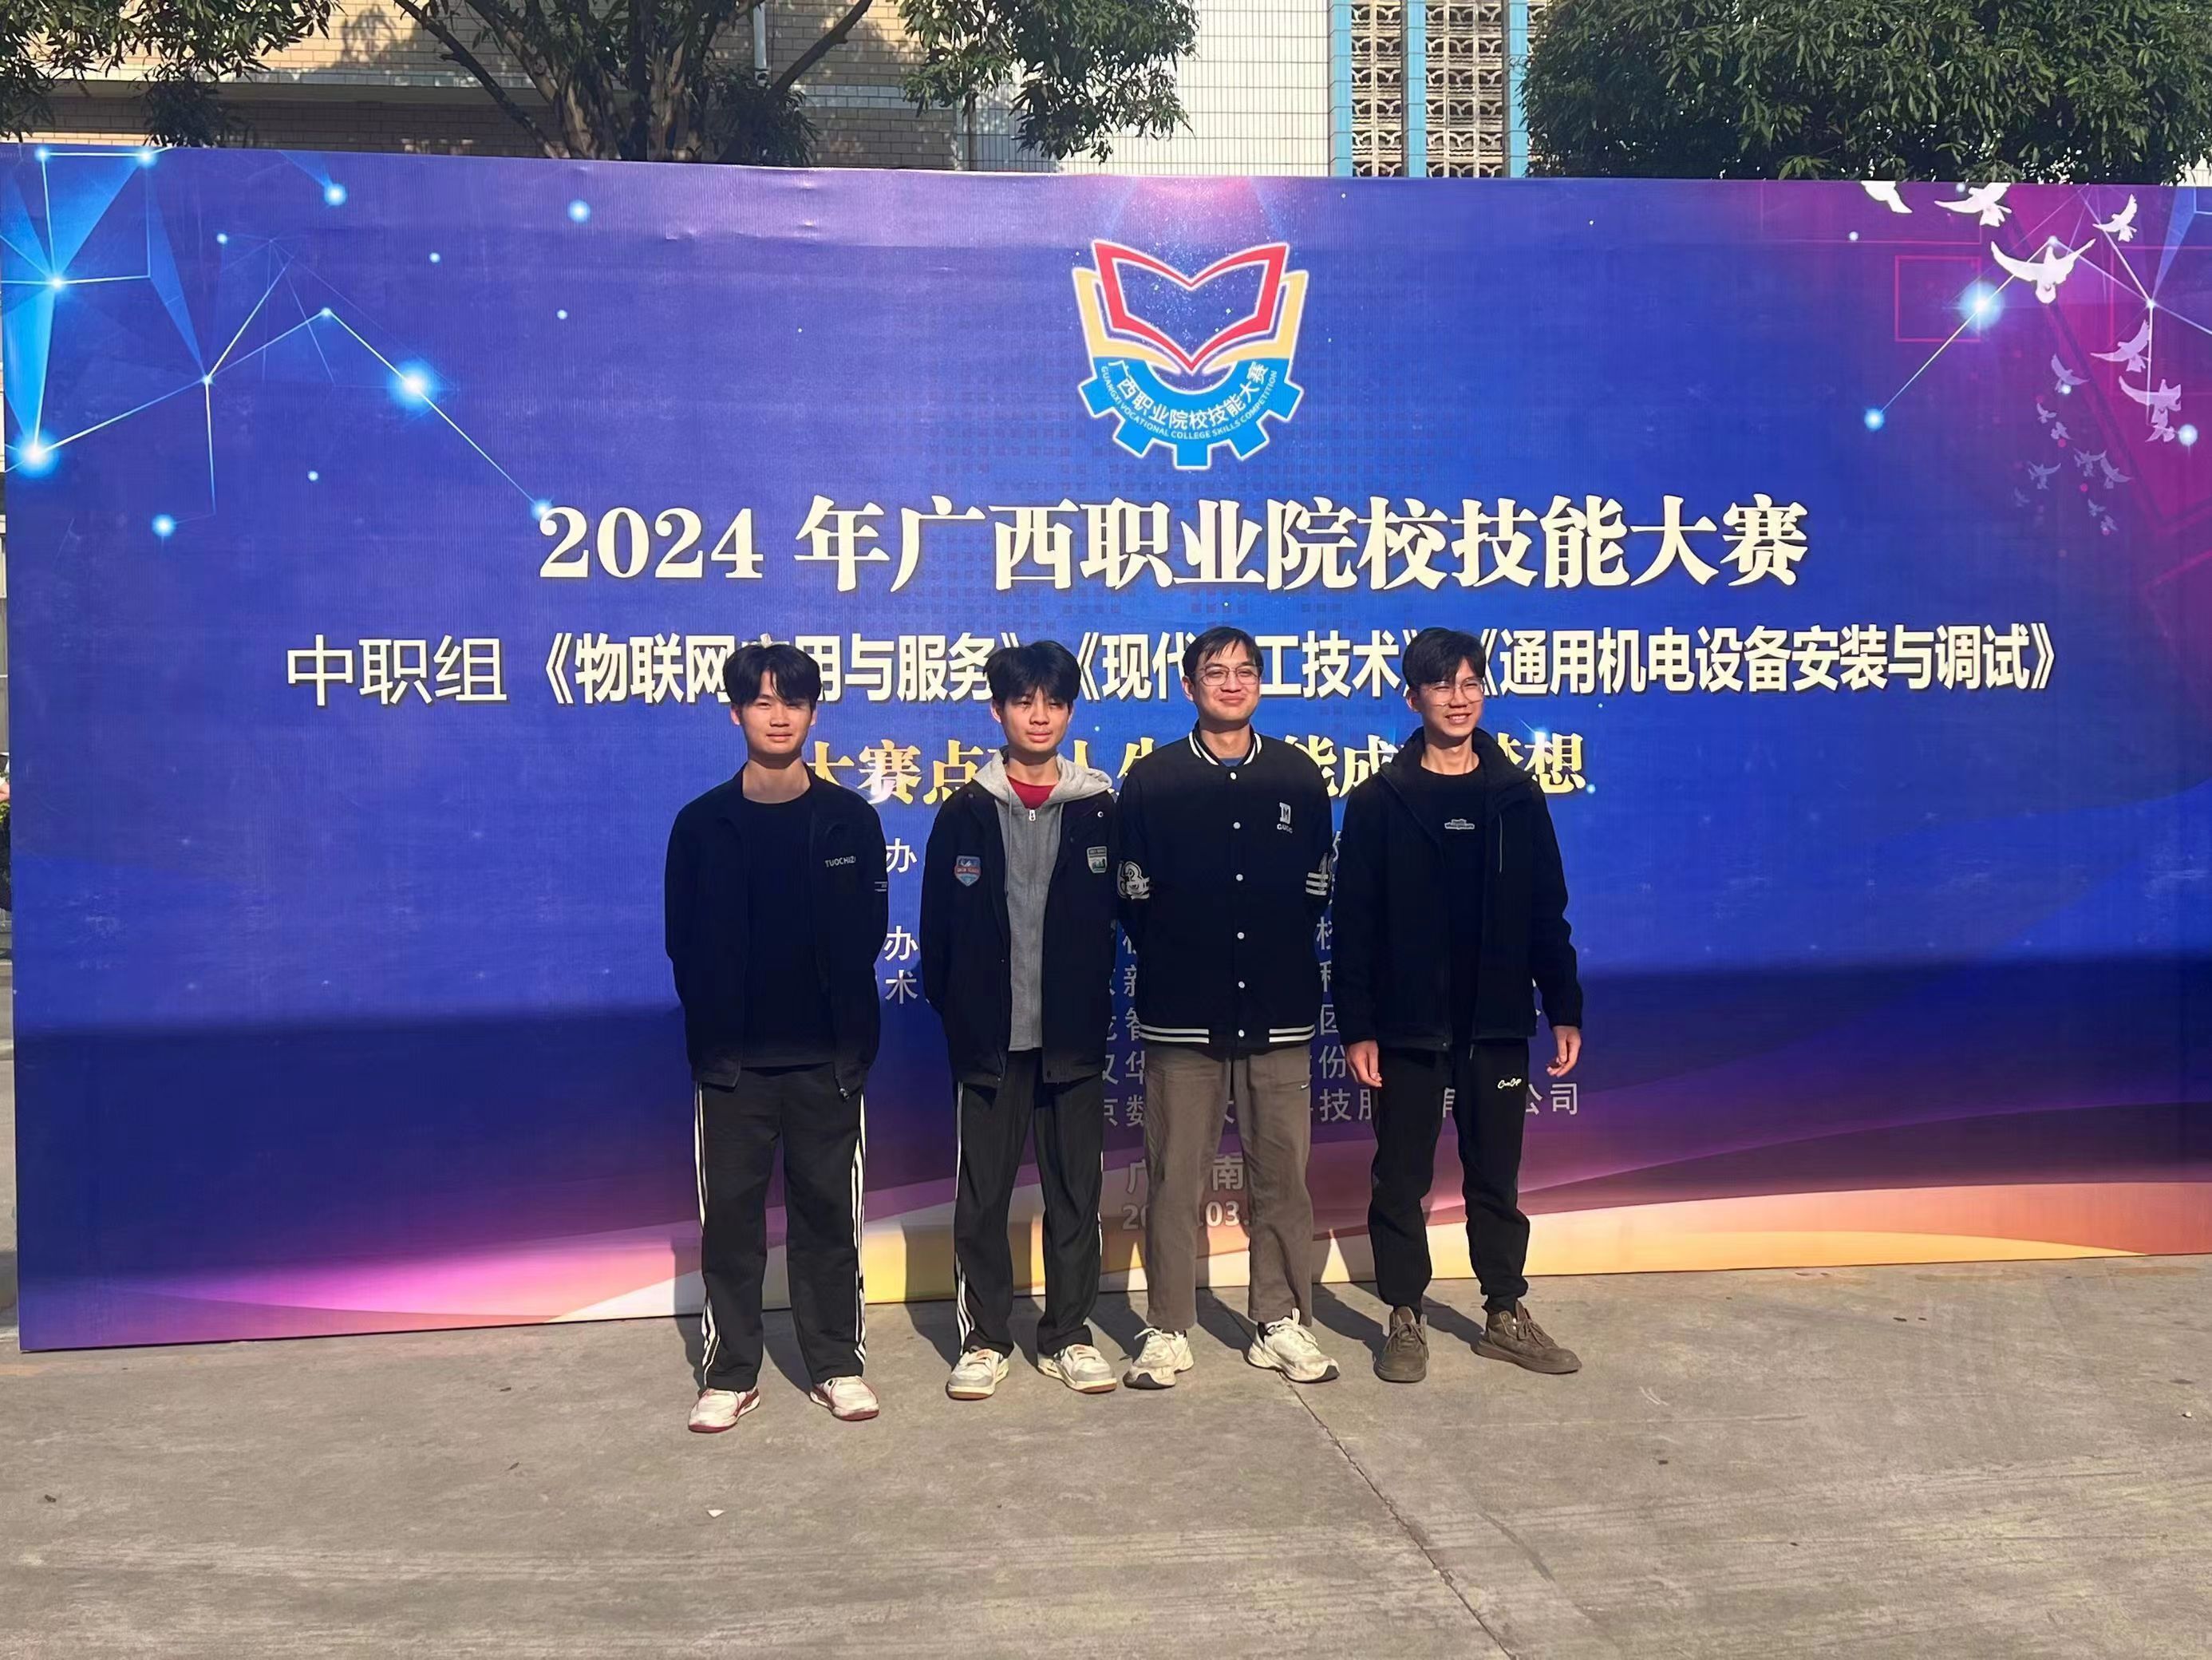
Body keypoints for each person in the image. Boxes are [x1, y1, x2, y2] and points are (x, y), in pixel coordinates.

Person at [1332, 627, 1585, 1384]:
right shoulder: (1379, 802)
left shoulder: (1517, 797)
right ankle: (1404, 1314)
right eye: (1443, 684)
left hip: (1495, 1021)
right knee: (1400, 1177)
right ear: (1413, 698)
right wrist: (1359, 1025)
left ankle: (1504, 1311)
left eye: (1472, 683)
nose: (1459, 697)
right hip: (1407, 1026)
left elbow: (1546, 911)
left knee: (1496, 1176)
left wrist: (1563, 1004)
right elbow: (1354, 923)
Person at [664, 641, 889, 1430]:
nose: (779, 715)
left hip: (827, 1061)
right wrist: (713, 1039)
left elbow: (867, 935)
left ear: (813, 713)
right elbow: (683, 944)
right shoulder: (701, 825)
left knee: (828, 1218)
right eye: (762, 701)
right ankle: (731, 1373)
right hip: (734, 1068)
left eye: (793, 700)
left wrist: (849, 1044)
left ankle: (836, 1365)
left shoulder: (850, 819)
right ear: (736, 714)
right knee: (730, 1222)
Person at [1115, 626, 1339, 1389]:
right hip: (1183, 1011)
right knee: (1175, 1177)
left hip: (1279, 1008)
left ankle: (1279, 1320)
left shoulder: (1297, 775)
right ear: (1189, 686)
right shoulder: (1154, 780)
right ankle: (1168, 1327)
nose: (1233, 683)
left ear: (1260, 684)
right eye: (1217, 672)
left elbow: (1313, 893)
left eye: (1246, 670)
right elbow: (1134, 900)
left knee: (1282, 1176)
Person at [920, 641, 1120, 1400]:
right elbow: (937, 934)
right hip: (990, 1046)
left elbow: (1127, 916)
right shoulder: (965, 811)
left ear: (1070, 713)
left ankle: (1068, 1334)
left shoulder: (1099, 810)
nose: (1040, 716)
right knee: (982, 1201)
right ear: (997, 710)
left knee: (1076, 1196)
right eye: (1024, 701)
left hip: (1072, 1041)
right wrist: (966, 1016)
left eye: (1055, 702)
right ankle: (985, 1339)